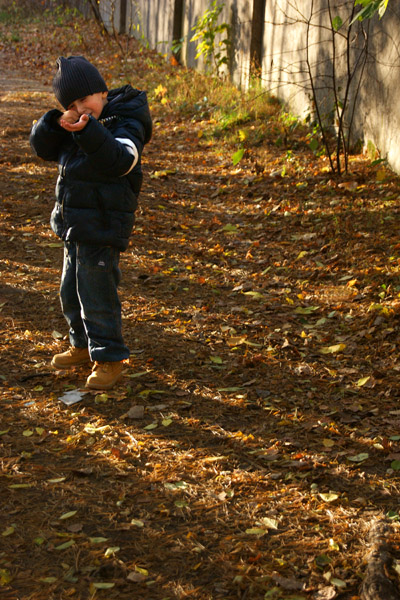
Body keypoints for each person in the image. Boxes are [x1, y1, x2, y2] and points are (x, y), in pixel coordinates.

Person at [30, 56, 152, 390]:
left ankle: (109, 357)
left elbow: (121, 160)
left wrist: (88, 130)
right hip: (74, 222)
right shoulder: (78, 124)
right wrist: (55, 123)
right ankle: (82, 345)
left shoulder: (126, 119)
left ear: (102, 90)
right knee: (70, 289)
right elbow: (42, 147)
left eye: (86, 99)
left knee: (96, 292)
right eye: (72, 104)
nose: (82, 109)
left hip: (104, 221)